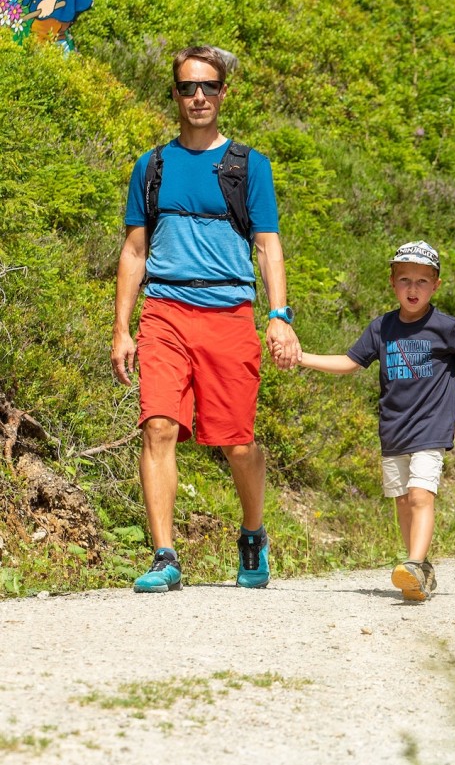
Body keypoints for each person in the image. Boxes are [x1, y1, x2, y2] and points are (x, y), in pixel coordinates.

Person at [111, 45, 299, 593]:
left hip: (229, 312)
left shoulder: (247, 165)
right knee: (159, 426)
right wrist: (123, 328)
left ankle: (253, 532)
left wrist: (279, 315)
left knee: (238, 443)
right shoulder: (152, 166)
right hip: (165, 311)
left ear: (223, 93)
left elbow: (267, 245)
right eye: (188, 87)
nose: (198, 96)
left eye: (208, 87)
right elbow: (133, 251)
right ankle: (164, 555)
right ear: (174, 94)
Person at [292, 241, 455, 601]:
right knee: (401, 500)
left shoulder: (444, 326)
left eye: (422, 281)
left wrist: (451, 377)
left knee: (419, 494)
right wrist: (302, 357)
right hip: (393, 427)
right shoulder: (381, 328)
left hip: (431, 427)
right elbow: (351, 363)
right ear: (392, 282)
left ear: (436, 285)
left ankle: (412, 563)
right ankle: (420, 570)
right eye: (405, 280)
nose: (413, 289)